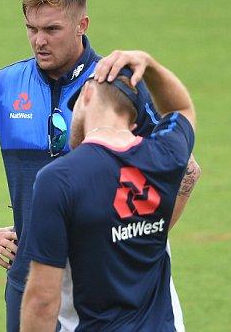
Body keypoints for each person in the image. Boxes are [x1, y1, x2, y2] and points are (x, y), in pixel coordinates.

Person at [0, 0, 200, 332]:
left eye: (51, 29)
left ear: (82, 25)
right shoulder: (3, 86)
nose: (39, 41)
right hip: (31, 274)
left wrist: (143, 240)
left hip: (102, 279)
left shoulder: (116, 85)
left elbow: (186, 169)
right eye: (31, 29)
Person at [20, 50, 195, 331]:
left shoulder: (58, 179)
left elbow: (41, 300)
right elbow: (181, 109)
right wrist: (149, 64)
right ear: (133, 122)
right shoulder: (166, 156)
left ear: (87, 95)